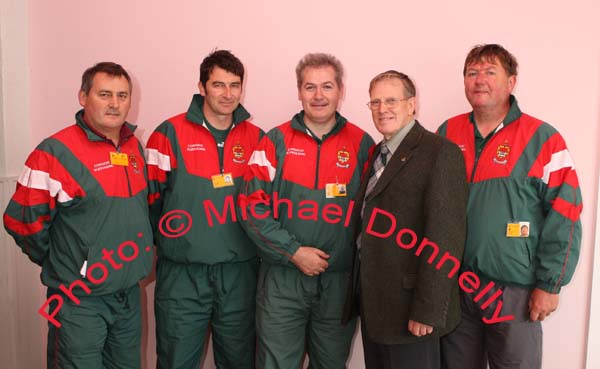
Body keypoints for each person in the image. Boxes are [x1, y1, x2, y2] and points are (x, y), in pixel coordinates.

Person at [438, 44, 583, 369]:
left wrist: (550, 284)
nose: (479, 80)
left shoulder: (543, 138)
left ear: (511, 82)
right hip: (457, 286)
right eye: (472, 73)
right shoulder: (447, 134)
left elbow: (566, 213)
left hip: (515, 290)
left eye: (490, 72)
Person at [3, 62, 153, 369]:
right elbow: (21, 221)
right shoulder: (53, 152)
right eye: (105, 94)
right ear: (83, 96)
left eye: (123, 95)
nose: (115, 103)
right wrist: (63, 261)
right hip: (79, 301)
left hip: (127, 295)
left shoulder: (134, 148)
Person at [239, 52, 374, 369]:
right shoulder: (274, 141)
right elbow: (250, 208)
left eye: (327, 86)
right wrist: (294, 252)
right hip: (283, 281)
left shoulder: (362, 143)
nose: (318, 96)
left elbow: (377, 212)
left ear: (341, 90)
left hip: (338, 284)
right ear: (299, 91)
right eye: (310, 87)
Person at [145, 50, 263, 369]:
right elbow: (149, 203)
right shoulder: (168, 134)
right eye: (218, 85)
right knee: (176, 360)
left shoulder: (257, 139)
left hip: (240, 273)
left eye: (234, 85)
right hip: (182, 274)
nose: (227, 94)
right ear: (202, 86)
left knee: (241, 361)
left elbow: (267, 206)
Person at [342, 70, 468, 369]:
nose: (382, 109)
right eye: (374, 102)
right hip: (377, 306)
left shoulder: (439, 152)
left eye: (391, 100)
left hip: (413, 310)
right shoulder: (377, 154)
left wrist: (429, 309)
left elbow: (445, 235)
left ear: (412, 104)